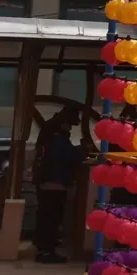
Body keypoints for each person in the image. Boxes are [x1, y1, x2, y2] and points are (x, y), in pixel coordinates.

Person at [31, 112, 83, 263]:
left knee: (45, 216)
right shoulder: (59, 140)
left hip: (46, 183)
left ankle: (43, 247)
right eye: (69, 125)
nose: (70, 129)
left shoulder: (47, 137)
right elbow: (72, 157)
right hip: (56, 184)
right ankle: (47, 251)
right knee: (52, 219)